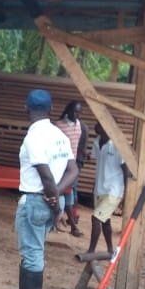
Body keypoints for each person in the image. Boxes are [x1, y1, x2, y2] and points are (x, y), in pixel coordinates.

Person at [0, 89, 78, 289]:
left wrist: (52, 198)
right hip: (51, 199)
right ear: (51, 109)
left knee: (32, 251)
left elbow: (45, 175)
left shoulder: (34, 137)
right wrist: (57, 197)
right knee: (34, 248)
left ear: (26, 108)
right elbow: (73, 170)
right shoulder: (60, 136)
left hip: (36, 200)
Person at [87, 123, 129, 255]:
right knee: (105, 220)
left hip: (114, 190)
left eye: (101, 124)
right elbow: (95, 159)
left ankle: (91, 251)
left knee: (96, 218)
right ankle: (110, 250)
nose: (97, 126)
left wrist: (126, 194)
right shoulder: (97, 141)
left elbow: (125, 170)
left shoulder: (117, 145)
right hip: (100, 189)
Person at [55, 101, 89, 236]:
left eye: (79, 112)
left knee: (69, 194)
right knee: (61, 193)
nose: (76, 115)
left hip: (72, 167)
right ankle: (66, 223)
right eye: (75, 111)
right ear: (68, 110)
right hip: (59, 165)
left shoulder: (81, 126)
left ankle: (71, 224)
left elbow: (81, 147)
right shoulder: (58, 126)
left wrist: (79, 162)